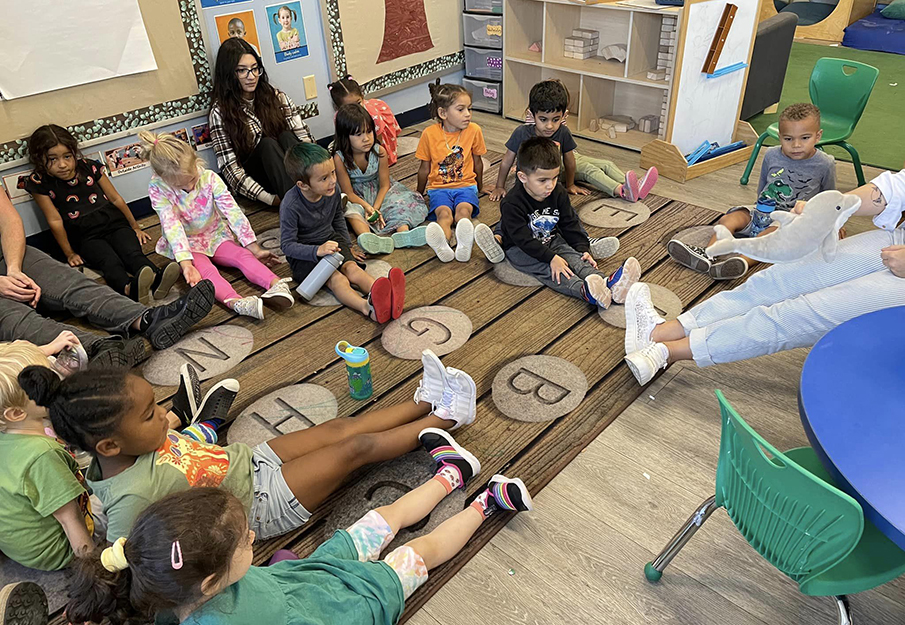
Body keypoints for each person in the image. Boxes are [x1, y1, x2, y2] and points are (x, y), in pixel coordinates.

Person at [20, 348, 478, 544]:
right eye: (149, 415)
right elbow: (131, 556)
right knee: (353, 449)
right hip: (258, 505)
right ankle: (449, 416)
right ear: (108, 444)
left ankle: (423, 403)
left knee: (341, 428)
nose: (164, 415)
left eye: (156, 407)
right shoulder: (131, 497)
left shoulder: (126, 450)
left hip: (248, 462)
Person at [64, 460, 533, 624]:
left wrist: (268, 568)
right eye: (245, 542)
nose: (252, 537)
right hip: (349, 603)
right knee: (416, 549)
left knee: (386, 524)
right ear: (209, 582)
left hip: (308, 576)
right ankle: (484, 499)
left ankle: (453, 477)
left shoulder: (164, 590)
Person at [623, 168, 905, 385]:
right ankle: (661, 332)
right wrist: (832, 209)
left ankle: (668, 352)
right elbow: (895, 188)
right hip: (898, 238)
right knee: (781, 278)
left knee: (801, 313)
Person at [0, 188, 215, 368]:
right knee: (16, 320)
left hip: (5, 254)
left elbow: (8, 220)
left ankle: (150, 319)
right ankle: (97, 349)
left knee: (70, 282)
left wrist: (13, 269)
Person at [668, 102, 837, 280]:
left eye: (804, 138)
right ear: (780, 137)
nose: (796, 145)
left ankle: (741, 261)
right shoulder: (771, 155)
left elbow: (831, 200)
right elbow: (763, 186)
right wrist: (756, 213)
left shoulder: (825, 163)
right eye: (788, 139)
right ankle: (707, 254)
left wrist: (833, 225)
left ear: (818, 136)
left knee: (774, 233)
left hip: (791, 219)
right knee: (730, 218)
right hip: (763, 211)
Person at [141, 131, 292, 321]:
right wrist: (186, 264)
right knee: (206, 272)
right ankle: (236, 302)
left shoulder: (209, 177)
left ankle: (276, 283)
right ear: (165, 179)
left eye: (193, 179)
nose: (191, 187)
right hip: (187, 244)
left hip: (214, 233)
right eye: (183, 185)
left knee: (242, 255)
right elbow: (171, 225)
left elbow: (232, 211)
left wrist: (253, 246)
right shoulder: (157, 188)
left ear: (196, 163)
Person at [21, 125, 179, 304]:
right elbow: (54, 220)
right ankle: (129, 288)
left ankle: (158, 280)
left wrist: (135, 226)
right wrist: (70, 253)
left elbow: (115, 198)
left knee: (132, 253)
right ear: (39, 159)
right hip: (85, 236)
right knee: (109, 261)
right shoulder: (40, 182)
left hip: (114, 223)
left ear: (74, 152)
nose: (62, 164)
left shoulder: (89, 167)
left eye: (67, 156)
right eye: (52, 159)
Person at [501, 137, 641, 309]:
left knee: (575, 259)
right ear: (522, 177)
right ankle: (584, 291)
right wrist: (551, 258)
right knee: (553, 270)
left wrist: (582, 248)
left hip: (551, 239)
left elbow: (569, 221)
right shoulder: (512, 202)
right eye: (542, 180)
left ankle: (609, 284)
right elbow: (522, 239)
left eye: (554, 178)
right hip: (520, 249)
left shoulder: (557, 191)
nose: (550, 185)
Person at [281, 142, 406, 323]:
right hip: (305, 255)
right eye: (324, 178)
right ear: (303, 185)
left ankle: (387, 296)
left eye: (332, 173)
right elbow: (287, 245)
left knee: (352, 268)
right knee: (337, 278)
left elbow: (338, 218)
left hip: (331, 241)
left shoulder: (333, 190)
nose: (333, 180)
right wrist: (317, 251)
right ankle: (367, 308)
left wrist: (348, 246)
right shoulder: (291, 205)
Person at [0, 339, 94, 572]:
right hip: (59, 549)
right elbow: (68, 519)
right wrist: (94, 571)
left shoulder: (12, 431)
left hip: (21, 545)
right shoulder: (42, 455)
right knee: (127, 496)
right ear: (15, 413)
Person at [490, 80, 657, 203]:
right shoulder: (521, 132)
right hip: (547, 172)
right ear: (531, 115)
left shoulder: (562, 131)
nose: (549, 126)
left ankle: (634, 186)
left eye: (556, 119)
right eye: (543, 119)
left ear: (563, 116)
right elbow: (506, 161)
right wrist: (499, 186)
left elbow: (570, 160)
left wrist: (570, 184)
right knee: (590, 170)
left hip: (564, 163)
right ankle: (621, 191)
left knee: (606, 164)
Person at [209, 38, 315, 207]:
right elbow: (231, 170)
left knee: (287, 136)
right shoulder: (220, 112)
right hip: (262, 182)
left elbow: (304, 138)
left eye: (254, 69)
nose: (251, 77)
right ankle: (298, 206)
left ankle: (319, 194)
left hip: (297, 175)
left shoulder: (275, 96)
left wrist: (321, 176)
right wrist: (270, 199)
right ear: (229, 74)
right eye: (242, 71)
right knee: (267, 145)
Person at [333, 104, 428, 255]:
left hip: (380, 192)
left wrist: (376, 207)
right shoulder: (340, 158)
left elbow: (385, 185)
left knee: (398, 203)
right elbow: (348, 193)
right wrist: (367, 208)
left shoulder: (379, 151)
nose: (366, 139)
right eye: (358, 135)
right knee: (352, 212)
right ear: (345, 136)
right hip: (357, 198)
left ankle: (403, 233)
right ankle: (370, 240)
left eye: (369, 132)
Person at [416, 81, 492, 264]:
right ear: (443, 113)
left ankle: (464, 245)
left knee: (463, 212)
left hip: (466, 186)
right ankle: (443, 245)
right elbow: (424, 168)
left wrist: (480, 186)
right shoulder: (429, 134)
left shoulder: (474, 131)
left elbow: (477, 163)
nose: (467, 114)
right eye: (461, 109)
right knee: (444, 214)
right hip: (438, 188)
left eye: (469, 109)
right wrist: (419, 193)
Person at [329, 75, 403, 166]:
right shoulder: (338, 118)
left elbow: (379, 141)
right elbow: (343, 138)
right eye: (350, 106)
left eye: (358, 103)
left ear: (362, 97)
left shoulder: (373, 115)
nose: (356, 108)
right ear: (338, 108)